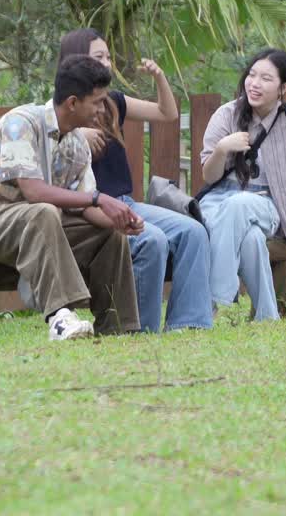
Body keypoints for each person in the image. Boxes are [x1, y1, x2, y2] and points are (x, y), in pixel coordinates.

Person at [0, 54, 144, 341]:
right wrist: (100, 199)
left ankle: (119, 326)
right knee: (43, 211)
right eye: (98, 101)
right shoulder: (20, 124)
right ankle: (61, 318)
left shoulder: (76, 143)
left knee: (109, 234)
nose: (104, 108)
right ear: (73, 102)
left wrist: (118, 219)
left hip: (32, 227)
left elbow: (86, 205)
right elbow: (34, 192)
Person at [58, 29, 213, 331]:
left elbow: (167, 113)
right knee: (151, 239)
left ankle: (189, 326)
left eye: (108, 57)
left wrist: (159, 78)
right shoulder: (65, 108)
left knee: (193, 232)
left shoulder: (114, 101)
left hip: (125, 202)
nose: (107, 63)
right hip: (90, 212)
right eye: (98, 57)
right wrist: (77, 135)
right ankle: (140, 330)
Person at [199, 48, 286, 320]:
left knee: (239, 204)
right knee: (252, 238)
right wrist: (222, 149)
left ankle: (211, 301)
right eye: (252, 75)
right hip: (217, 200)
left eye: (266, 78)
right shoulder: (226, 115)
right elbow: (208, 177)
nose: (254, 83)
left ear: (283, 88)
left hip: (266, 202)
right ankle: (267, 317)